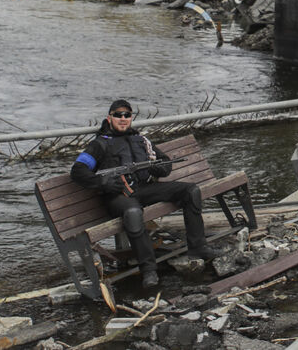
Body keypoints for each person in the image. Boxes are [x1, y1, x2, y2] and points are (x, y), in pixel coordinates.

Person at [71, 99, 218, 289]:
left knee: (190, 191)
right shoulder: (100, 144)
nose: (123, 119)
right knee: (133, 214)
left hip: (144, 189)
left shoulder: (141, 140)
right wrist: (102, 182)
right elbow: (78, 170)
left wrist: (159, 168)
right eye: (118, 115)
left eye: (127, 115)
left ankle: (198, 247)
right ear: (109, 118)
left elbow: (164, 163)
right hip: (118, 197)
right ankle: (148, 269)